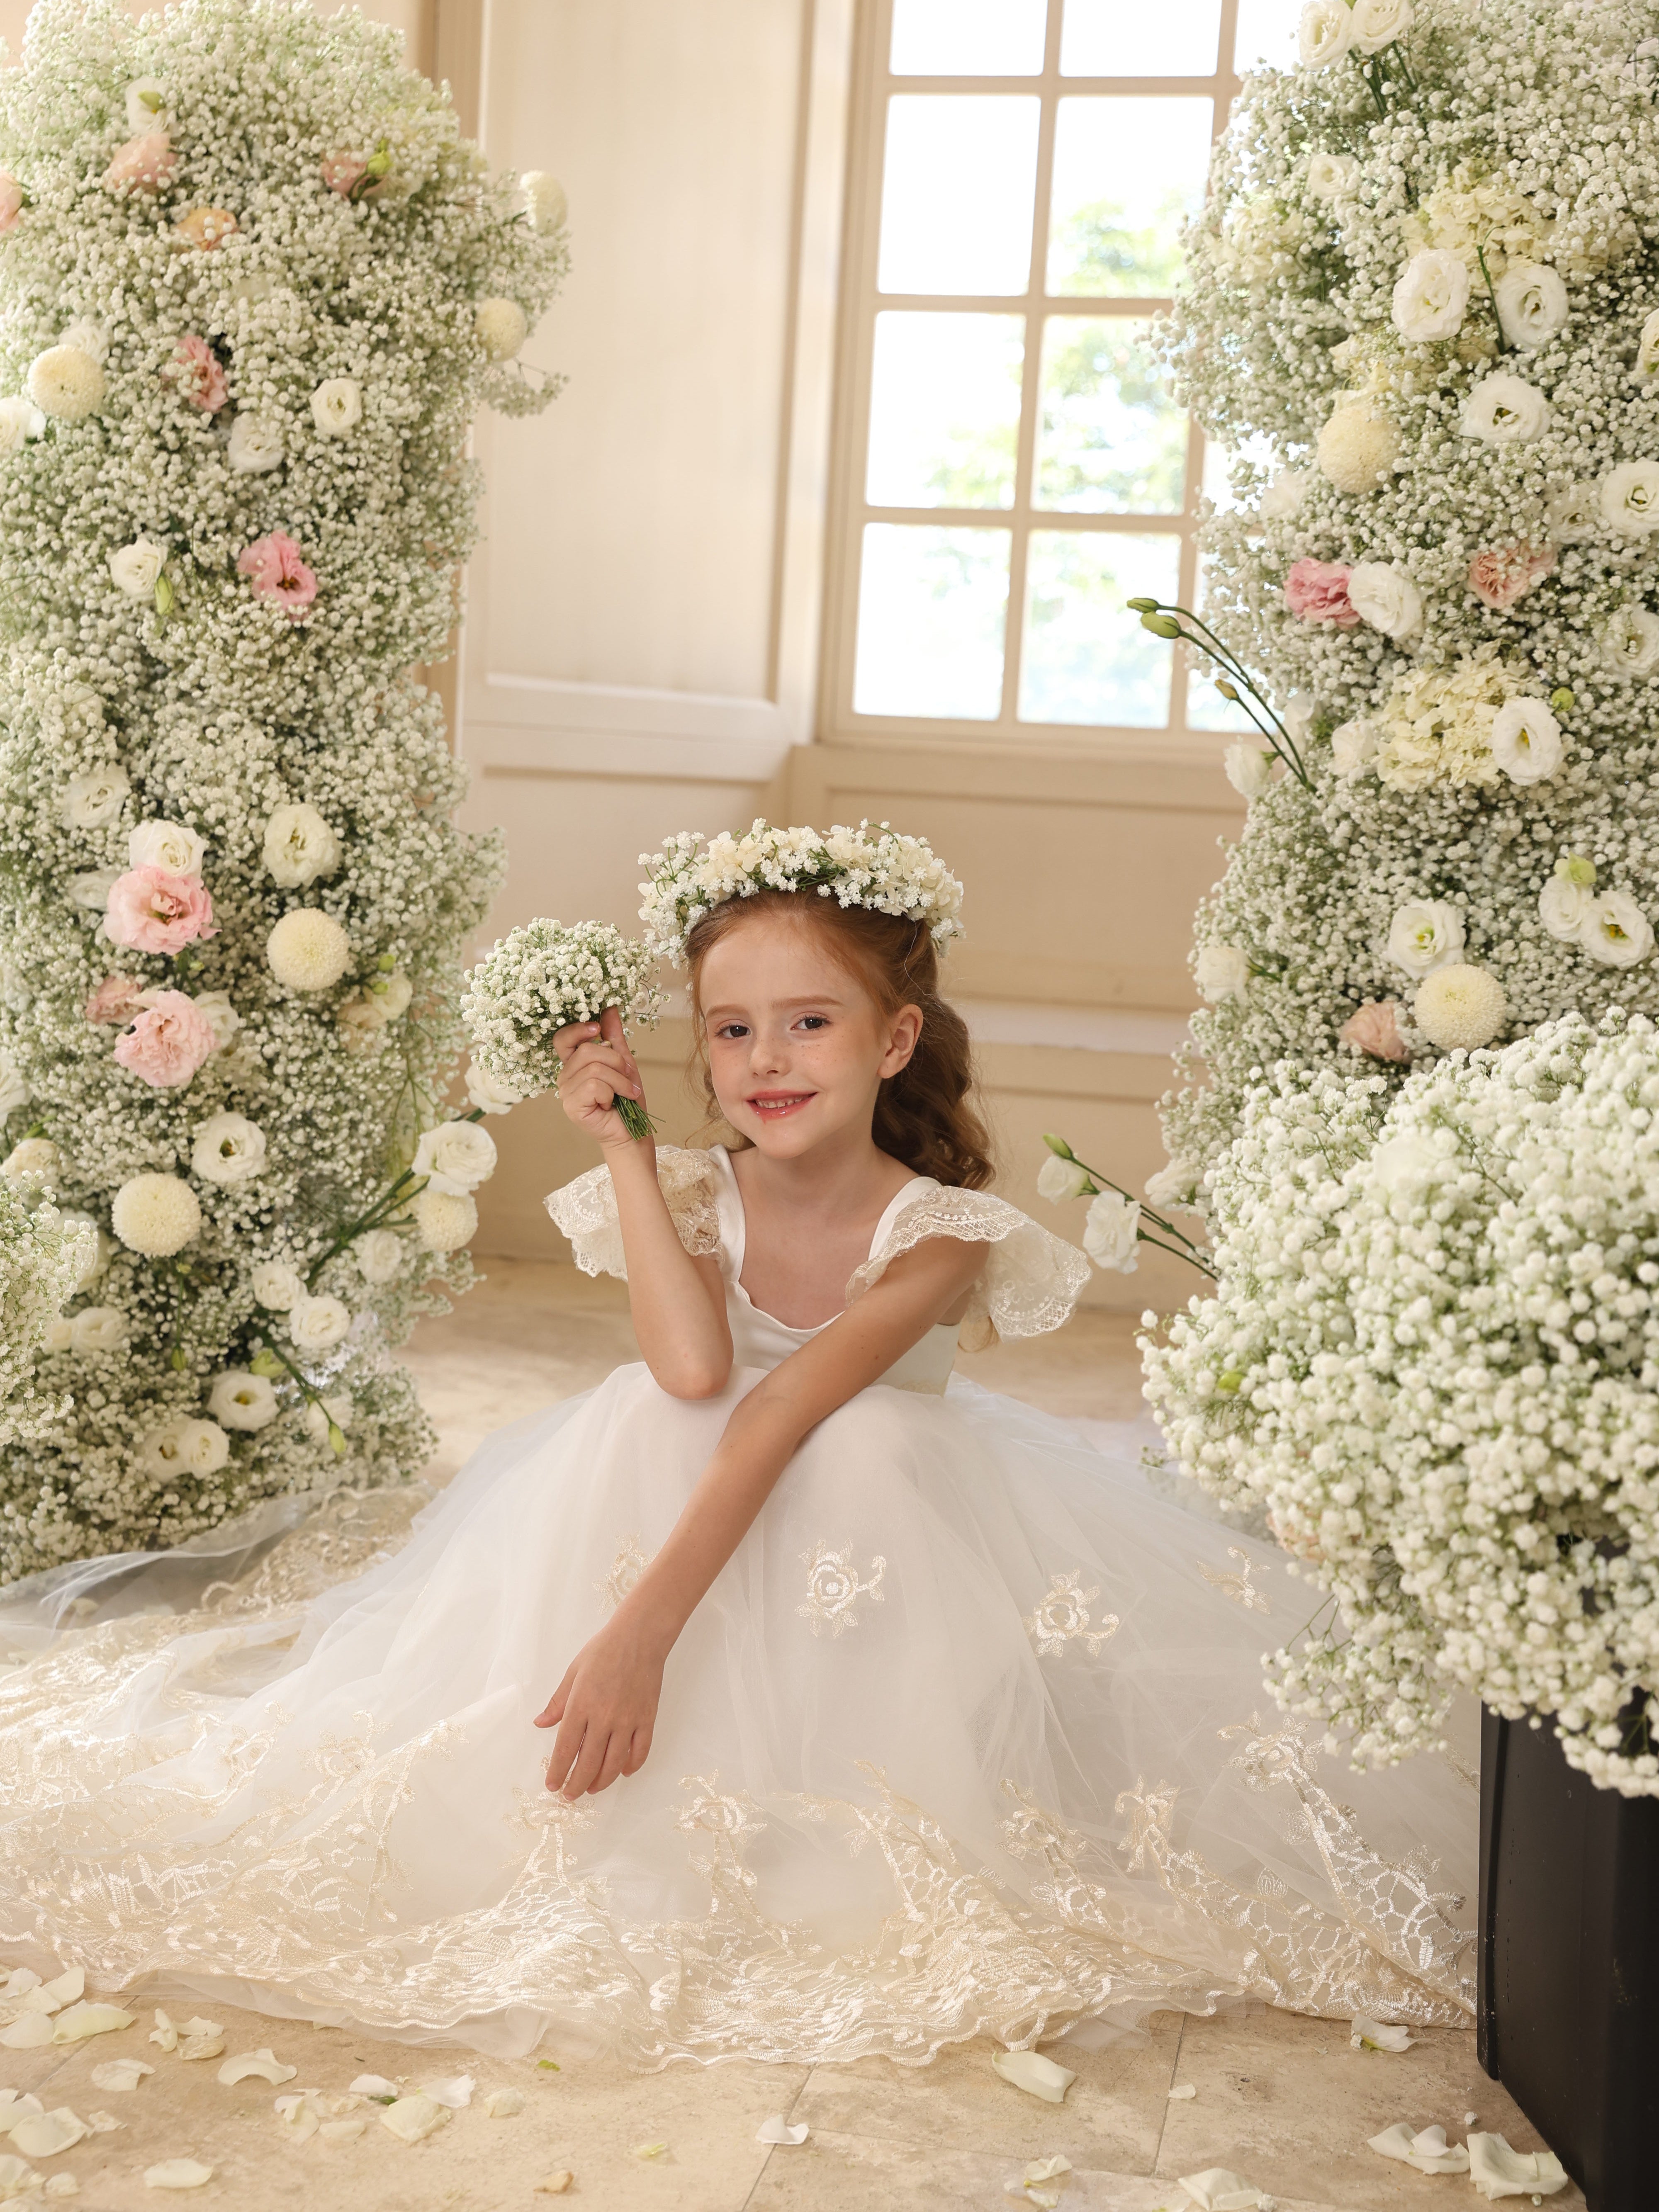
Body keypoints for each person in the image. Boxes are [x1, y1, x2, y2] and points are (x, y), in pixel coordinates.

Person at [0, 825, 1476, 2066]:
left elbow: (784, 1408)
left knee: (864, 1441)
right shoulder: (704, 1189)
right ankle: (619, 1799)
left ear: (895, 1040)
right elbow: (698, 1368)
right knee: (653, 1410)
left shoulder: (944, 1232)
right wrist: (629, 1150)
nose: (766, 1059)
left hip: (875, 1543)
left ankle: (835, 1811)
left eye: (810, 1023)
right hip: (696, 1487)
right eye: (730, 1028)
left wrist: (639, 1633)